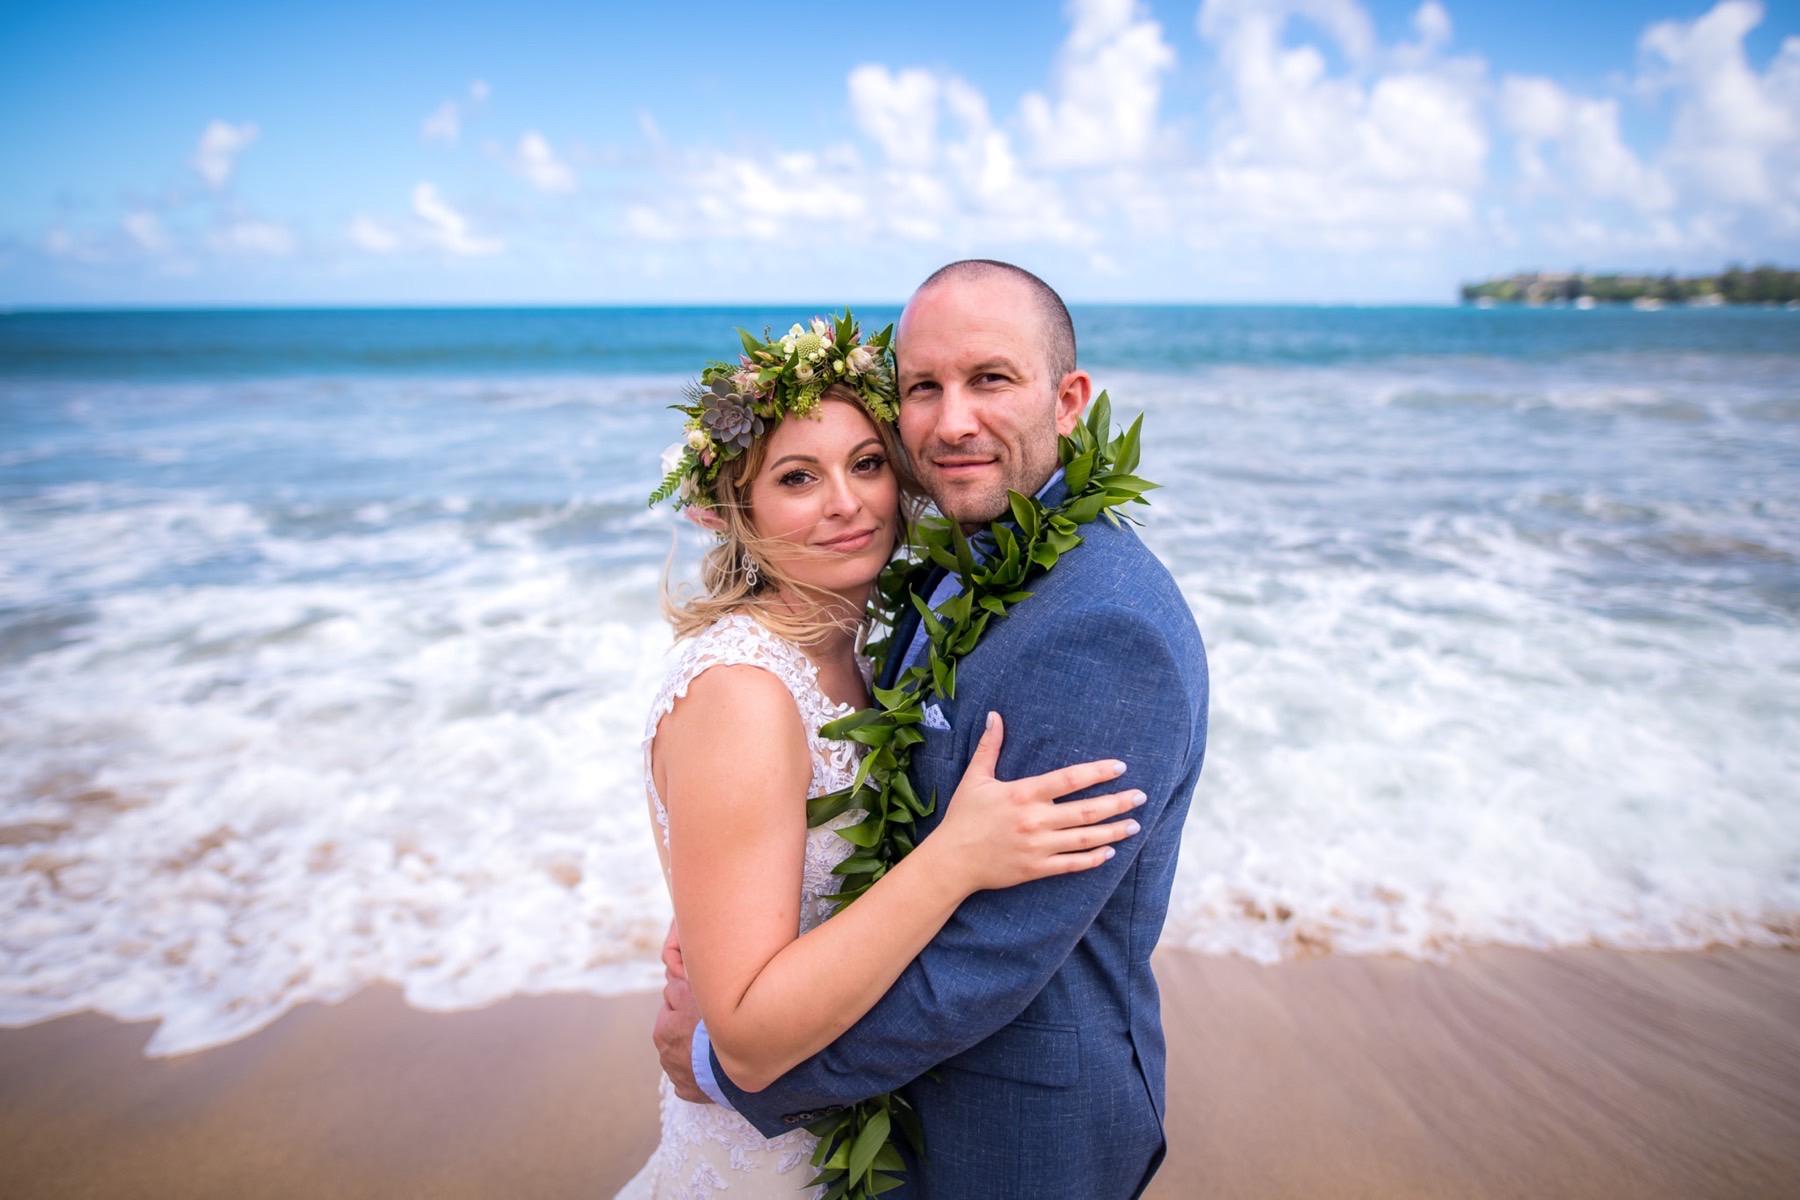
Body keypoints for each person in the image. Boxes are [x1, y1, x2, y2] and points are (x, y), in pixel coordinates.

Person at [658, 263, 1210, 1198]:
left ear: (1068, 399)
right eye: (924, 387)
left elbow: (984, 960)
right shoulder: (950, 566)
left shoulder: (1106, 628)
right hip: (893, 1119)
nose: (952, 421)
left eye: (990, 379)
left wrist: (728, 1064)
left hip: (1014, 1139)